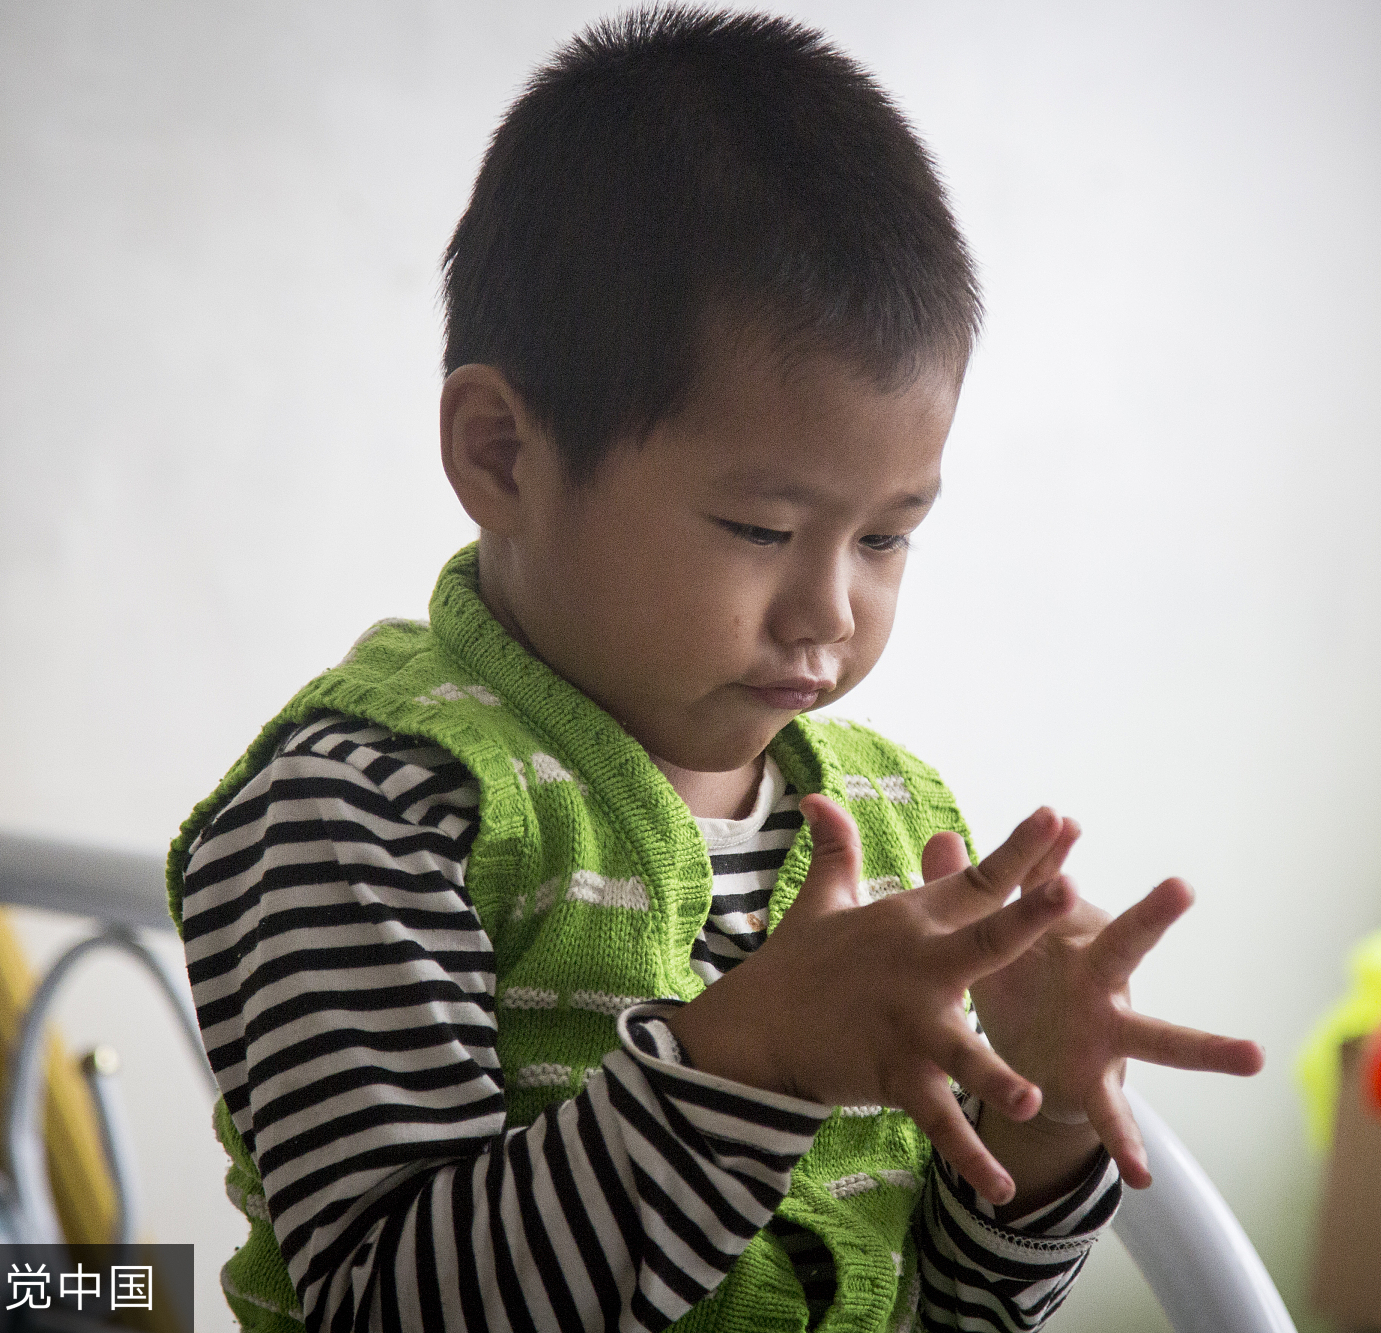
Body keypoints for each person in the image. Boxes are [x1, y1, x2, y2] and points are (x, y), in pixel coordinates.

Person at [167, 9, 1263, 1332]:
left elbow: (962, 1315)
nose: (829, 610)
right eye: (759, 529)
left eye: (886, 538)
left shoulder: (896, 828)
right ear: (502, 454)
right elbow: (395, 1305)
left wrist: (1034, 1129)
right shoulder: (352, 816)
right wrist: (746, 1057)